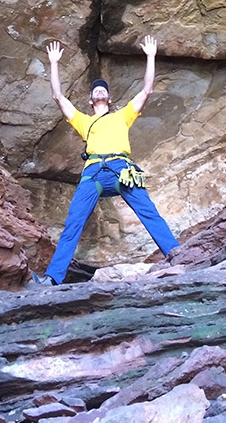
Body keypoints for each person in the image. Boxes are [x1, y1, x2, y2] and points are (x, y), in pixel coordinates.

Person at [32, 35, 179, 286]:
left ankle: (180, 258)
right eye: (95, 90)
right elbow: (58, 96)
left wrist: (151, 57)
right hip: (93, 173)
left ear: (109, 99)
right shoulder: (84, 121)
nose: (100, 90)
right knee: (73, 223)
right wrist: (54, 63)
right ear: (91, 100)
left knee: (150, 214)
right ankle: (52, 279)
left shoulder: (122, 116)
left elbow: (147, 90)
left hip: (122, 169)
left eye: (104, 89)